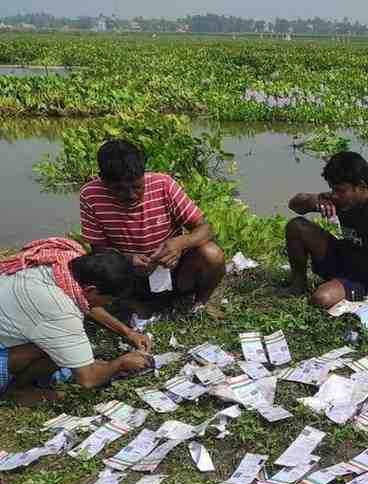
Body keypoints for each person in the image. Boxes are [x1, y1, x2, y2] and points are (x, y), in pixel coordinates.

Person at [79, 139, 226, 321]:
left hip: (172, 270)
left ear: (143, 174)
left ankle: (200, 304)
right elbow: (99, 252)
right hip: (130, 276)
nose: (131, 195)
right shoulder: (90, 195)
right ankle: (136, 304)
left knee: (212, 254)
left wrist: (179, 244)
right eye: (120, 190)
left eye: (137, 187)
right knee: (91, 272)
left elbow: (206, 229)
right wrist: (129, 259)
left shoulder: (164, 185)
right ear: (103, 180)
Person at [0, 238, 152, 405]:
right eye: (108, 301)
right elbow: (88, 378)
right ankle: (17, 390)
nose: (107, 305)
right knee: (53, 348)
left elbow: (86, 302)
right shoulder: (59, 309)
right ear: (91, 290)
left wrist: (128, 332)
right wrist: (119, 364)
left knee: (61, 344)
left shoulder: (63, 260)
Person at [285, 151, 368, 308]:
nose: (335, 195)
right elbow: (294, 204)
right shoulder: (339, 198)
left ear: (361, 186)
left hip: (365, 277)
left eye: (340, 190)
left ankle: (341, 287)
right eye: (332, 189)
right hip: (344, 256)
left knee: (321, 299)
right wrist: (316, 200)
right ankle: (298, 286)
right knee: (296, 226)